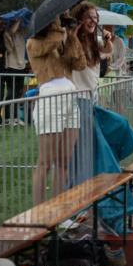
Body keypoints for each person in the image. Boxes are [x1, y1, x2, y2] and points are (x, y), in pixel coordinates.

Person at [27, 13, 86, 205]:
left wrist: (73, 37)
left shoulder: (63, 40)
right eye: (59, 18)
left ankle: (59, 209)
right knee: (45, 162)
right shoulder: (34, 42)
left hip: (70, 97)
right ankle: (39, 212)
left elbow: (80, 64)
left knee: (63, 161)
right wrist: (60, 28)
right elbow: (50, 43)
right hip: (50, 98)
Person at [70, 2, 113, 93]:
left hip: (93, 91)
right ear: (79, 19)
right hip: (79, 93)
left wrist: (107, 40)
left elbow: (108, 49)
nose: (93, 21)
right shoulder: (71, 40)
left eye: (95, 17)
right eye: (89, 17)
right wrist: (74, 34)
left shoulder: (96, 39)